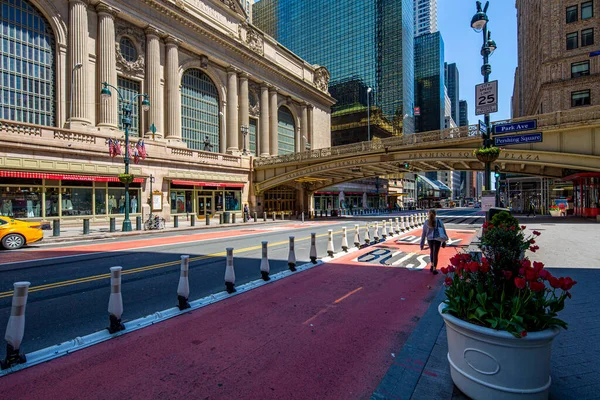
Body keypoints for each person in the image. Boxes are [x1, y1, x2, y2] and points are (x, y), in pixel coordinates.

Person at [419, 209, 448, 275]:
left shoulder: (426, 222)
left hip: (430, 239)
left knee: (432, 252)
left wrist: (422, 244)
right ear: (435, 214)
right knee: (435, 254)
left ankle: (431, 266)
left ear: (428, 214)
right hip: (438, 239)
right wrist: (444, 241)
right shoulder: (439, 221)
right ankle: (434, 268)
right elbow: (443, 231)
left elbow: (423, 233)